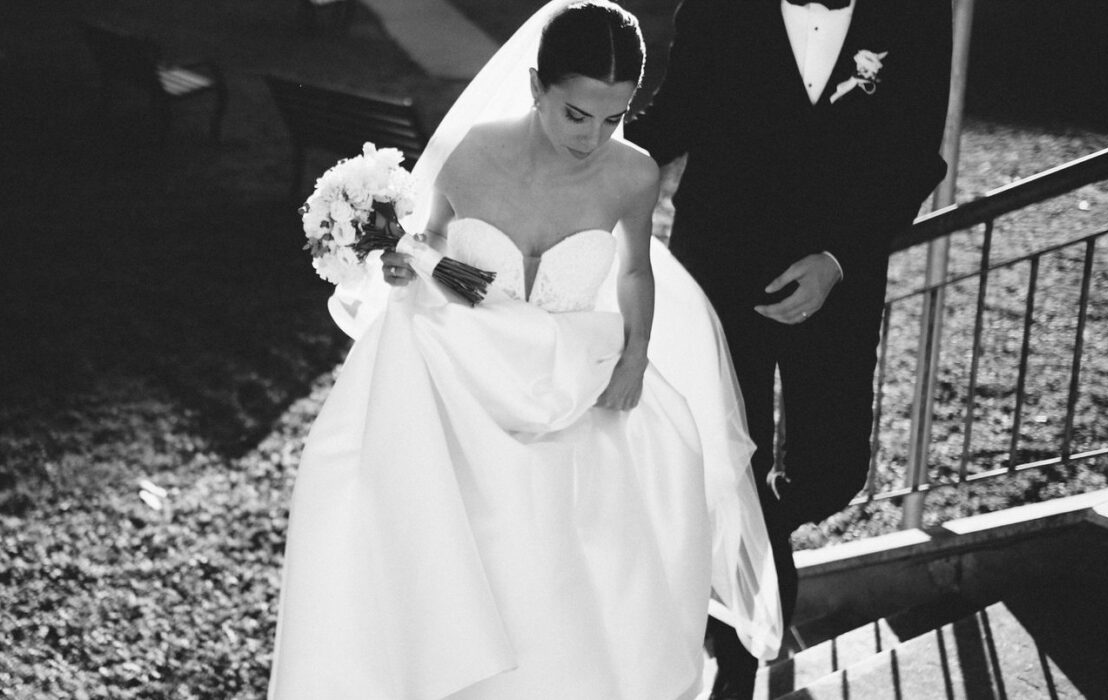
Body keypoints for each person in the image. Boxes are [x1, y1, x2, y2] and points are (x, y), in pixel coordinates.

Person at [267, 3, 781, 699]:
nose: (594, 136)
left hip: (576, 388)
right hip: (467, 380)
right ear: (539, 87)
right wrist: (406, 263)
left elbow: (633, 269)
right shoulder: (473, 152)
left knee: (571, 571)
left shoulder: (630, 175)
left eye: (613, 117)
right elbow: (440, 245)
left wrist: (634, 358)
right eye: (577, 114)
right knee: (466, 549)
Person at [625, 0, 952, 696]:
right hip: (715, 273)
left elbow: (915, 154)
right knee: (729, 453)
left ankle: (737, 540)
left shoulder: (917, 14)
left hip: (838, 282)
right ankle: (740, 664)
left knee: (834, 470)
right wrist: (563, 156)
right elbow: (672, 118)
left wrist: (838, 258)